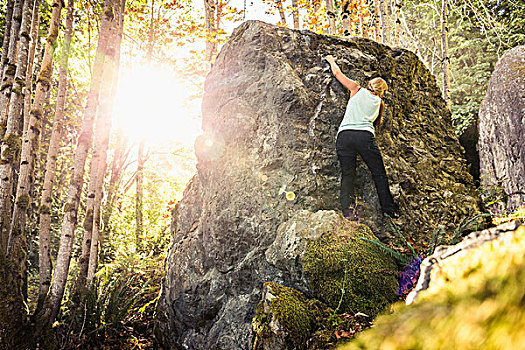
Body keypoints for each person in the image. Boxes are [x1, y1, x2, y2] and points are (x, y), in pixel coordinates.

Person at [325, 55, 399, 219]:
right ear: (382, 91)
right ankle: (389, 209)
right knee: (378, 173)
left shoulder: (356, 89)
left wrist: (331, 61)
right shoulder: (379, 103)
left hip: (344, 136)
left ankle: (348, 210)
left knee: (348, 174)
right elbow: (375, 124)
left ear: (370, 85)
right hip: (364, 136)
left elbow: (338, 75)